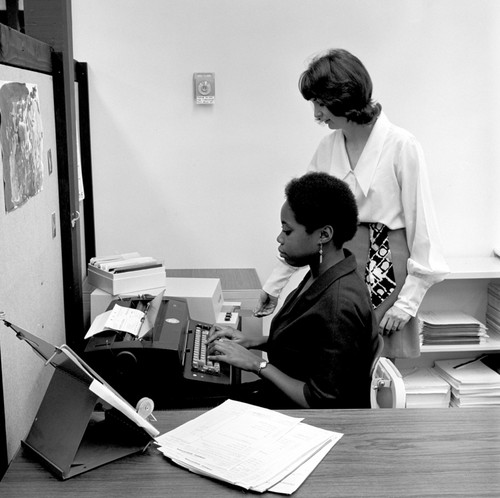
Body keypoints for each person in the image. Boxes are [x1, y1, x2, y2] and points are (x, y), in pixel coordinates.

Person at [255, 48, 449, 358]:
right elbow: (305, 220)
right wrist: (274, 285)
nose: (317, 115)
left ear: (342, 99)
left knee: (376, 368)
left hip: (384, 268)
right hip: (334, 263)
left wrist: (408, 303)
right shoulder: (328, 146)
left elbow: (423, 230)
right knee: (326, 358)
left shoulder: (402, 146)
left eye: (320, 104)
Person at [207, 172, 379, 409]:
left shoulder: (339, 304)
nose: (279, 238)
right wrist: (254, 341)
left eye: (287, 231)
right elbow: (310, 343)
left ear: (324, 235)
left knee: (200, 404)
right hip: (281, 398)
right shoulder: (324, 272)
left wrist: (256, 364)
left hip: (307, 419)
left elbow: (321, 400)